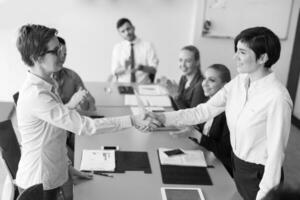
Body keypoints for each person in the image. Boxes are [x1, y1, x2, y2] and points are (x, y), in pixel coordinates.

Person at [145, 27, 293, 200]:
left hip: (259, 177)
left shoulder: (277, 98)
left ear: (262, 58)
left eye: (242, 52)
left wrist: (265, 196)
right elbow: (203, 111)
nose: (235, 57)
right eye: (236, 50)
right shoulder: (239, 82)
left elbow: (276, 156)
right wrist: (163, 117)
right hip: (237, 168)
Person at [15, 24, 151, 200]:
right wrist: (131, 120)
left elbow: (52, 134)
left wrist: (66, 167)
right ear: (37, 58)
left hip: (52, 174)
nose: (61, 54)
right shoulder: (36, 95)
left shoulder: (45, 85)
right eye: (56, 50)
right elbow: (86, 126)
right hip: (39, 184)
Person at [175, 64, 232, 177]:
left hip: (221, 170)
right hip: (203, 156)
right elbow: (202, 133)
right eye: (205, 78)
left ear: (225, 86)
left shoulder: (228, 113)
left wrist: (196, 134)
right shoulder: (206, 104)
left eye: (211, 80)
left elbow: (224, 151)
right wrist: (191, 130)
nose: (204, 83)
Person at [52, 37, 96, 116]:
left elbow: (91, 103)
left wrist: (84, 103)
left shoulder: (72, 76)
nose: (62, 57)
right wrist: (71, 104)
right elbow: (51, 115)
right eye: (59, 53)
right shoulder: (42, 81)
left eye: (64, 54)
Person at [157, 45, 207, 110]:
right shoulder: (184, 78)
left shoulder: (200, 85)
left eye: (188, 61)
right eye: (180, 60)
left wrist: (175, 95)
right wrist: (170, 91)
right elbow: (177, 108)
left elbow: (191, 117)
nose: (183, 64)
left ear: (197, 62)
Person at [111, 18, 159, 84]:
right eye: (123, 31)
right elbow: (115, 71)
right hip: (124, 86)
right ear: (120, 34)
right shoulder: (118, 48)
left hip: (143, 86)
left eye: (128, 29)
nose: (127, 33)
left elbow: (153, 70)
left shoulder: (148, 46)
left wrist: (141, 67)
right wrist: (126, 67)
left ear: (133, 28)